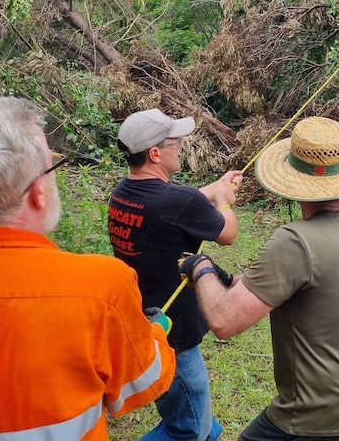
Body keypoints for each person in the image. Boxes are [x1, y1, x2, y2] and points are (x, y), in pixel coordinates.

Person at [0, 96, 175, 440]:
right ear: (37, 193)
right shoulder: (103, 286)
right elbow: (139, 385)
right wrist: (156, 333)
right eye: (51, 166)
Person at [179, 116, 339, 441]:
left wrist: (201, 267)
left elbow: (224, 321)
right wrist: (231, 281)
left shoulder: (295, 242)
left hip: (312, 415)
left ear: (293, 177)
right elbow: (312, 288)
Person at [109, 108, 244, 441]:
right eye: (175, 141)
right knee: (187, 429)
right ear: (155, 153)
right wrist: (225, 201)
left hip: (144, 320)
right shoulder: (178, 201)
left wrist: (215, 188)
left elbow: (182, 201)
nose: (181, 145)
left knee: (198, 419)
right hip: (174, 338)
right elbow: (228, 234)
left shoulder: (123, 192)